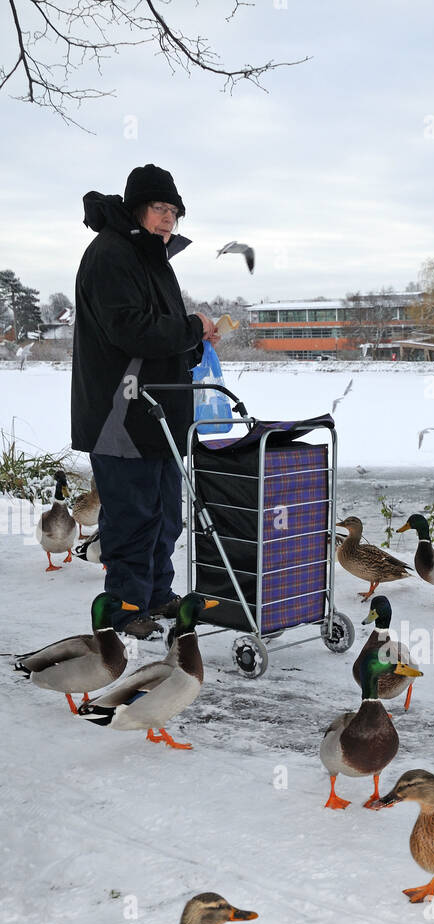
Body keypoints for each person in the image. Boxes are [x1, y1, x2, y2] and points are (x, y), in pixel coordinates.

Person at [71, 164, 218, 638]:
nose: (168, 220)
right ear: (137, 207)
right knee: (132, 518)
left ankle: (156, 595)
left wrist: (196, 341)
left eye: (174, 211)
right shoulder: (111, 255)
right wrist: (192, 326)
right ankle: (126, 606)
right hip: (123, 413)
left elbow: (163, 335)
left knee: (164, 517)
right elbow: (130, 330)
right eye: (160, 208)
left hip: (160, 412)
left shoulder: (153, 259)